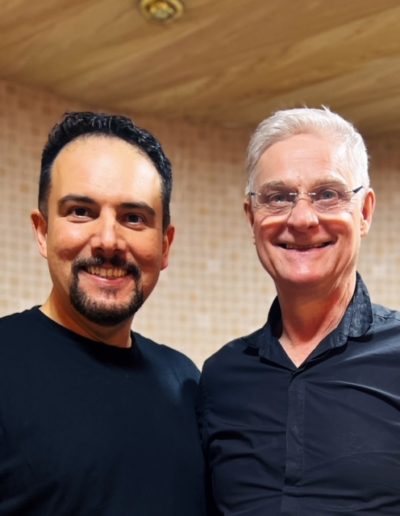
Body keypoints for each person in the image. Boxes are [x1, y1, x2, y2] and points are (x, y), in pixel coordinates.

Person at [0, 112, 207, 515]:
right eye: (81, 211)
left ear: (165, 245)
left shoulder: (185, 382)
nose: (108, 241)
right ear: (42, 231)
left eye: (133, 218)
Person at [198, 107, 400, 515]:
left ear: (364, 212)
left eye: (328, 194)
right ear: (251, 217)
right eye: (278, 197)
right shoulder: (220, 377)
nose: (303, 218)